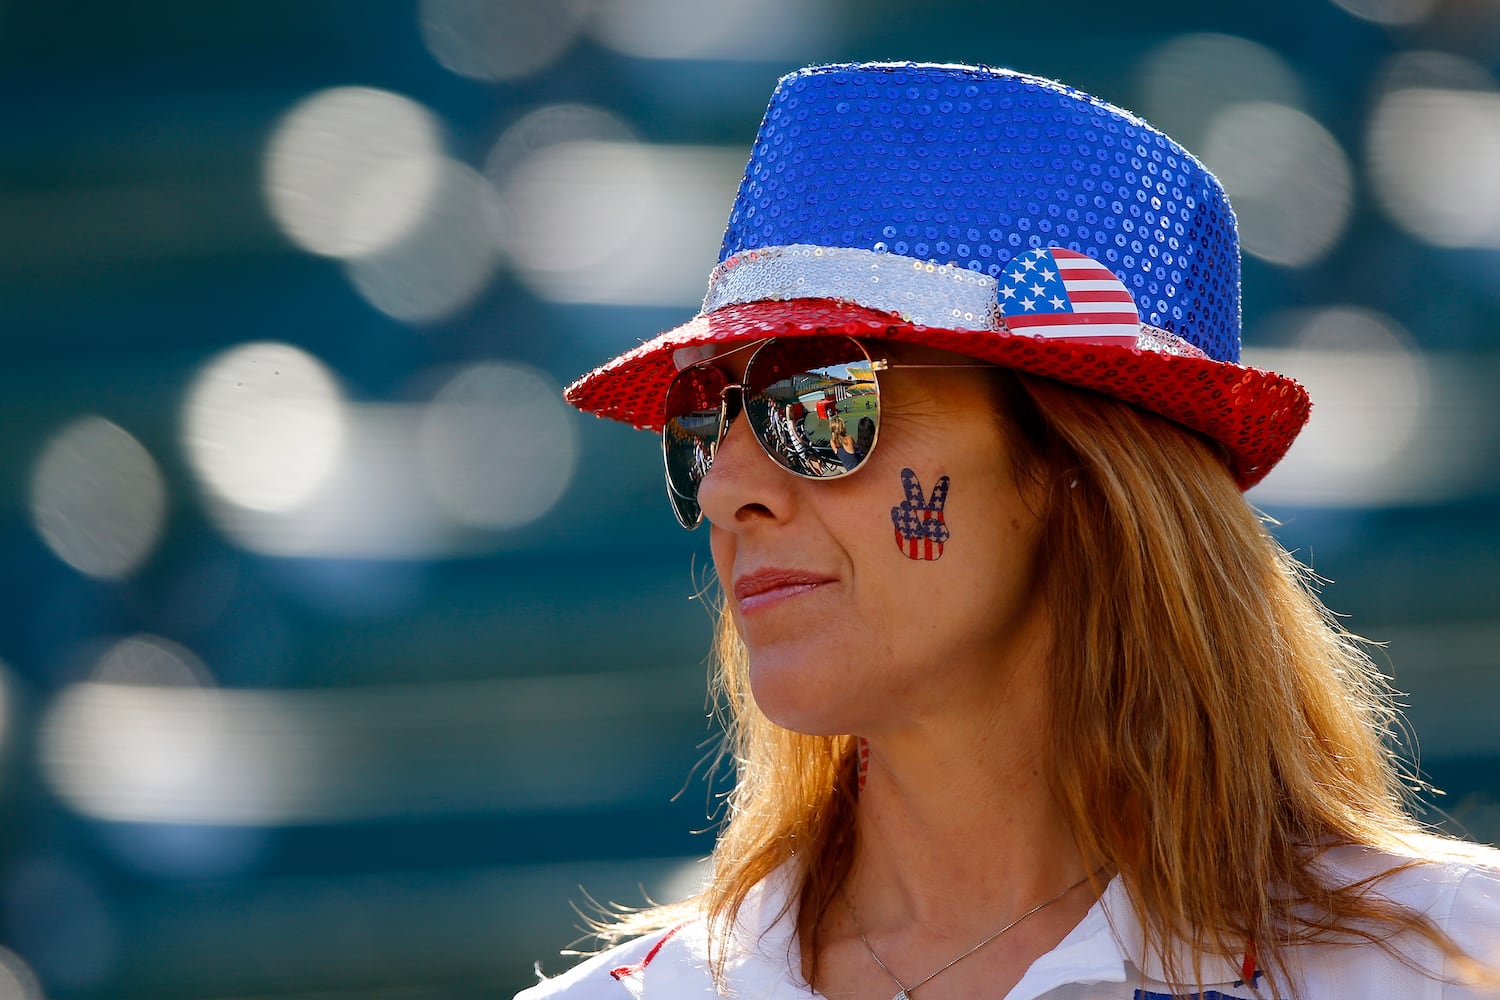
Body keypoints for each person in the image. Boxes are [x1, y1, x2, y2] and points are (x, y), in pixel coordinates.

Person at [521, 62, 1500, 999]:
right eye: (703, 415)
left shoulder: (1451, 963)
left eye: (816, 398)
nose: (726, 486)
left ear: (1081, 469)